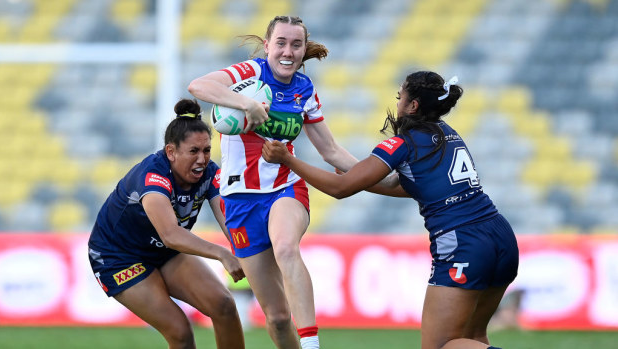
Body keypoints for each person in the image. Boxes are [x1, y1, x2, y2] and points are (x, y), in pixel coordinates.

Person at [262, 71, 519, 349]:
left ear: (413, 106)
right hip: (500, 235)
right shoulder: (447, 134)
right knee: (472, 338)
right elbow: (410, 186)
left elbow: (341, 189)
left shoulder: (402, 144)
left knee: (441, 346)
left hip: (464, 243)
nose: (397, 103)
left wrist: (287, 159)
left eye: (400, 97)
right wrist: (363, 178)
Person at [187, 15, 360, 349]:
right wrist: (246, 104)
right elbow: (199, 86)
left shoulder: (304, 90)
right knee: (278, 319)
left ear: (303, 49)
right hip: (238, 199)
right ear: (267, 46)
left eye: (296, 44)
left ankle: (312, 345)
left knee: (285, 247)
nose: (288, 51)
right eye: (281, 43)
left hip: (285, 187)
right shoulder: (249, 73)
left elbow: (331, 151)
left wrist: (383, 175)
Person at [88, 99, 246, 349]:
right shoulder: (152, 176)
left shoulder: (209, 173)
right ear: (171, 152)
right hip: (119, 257)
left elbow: (230, 221)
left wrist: (250, 250)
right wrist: (222, 254)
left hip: (161, 250)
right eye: (193, 151)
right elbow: (171, 234)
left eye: (206, 150)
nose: (202, 159)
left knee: (223, 305)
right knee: (180, 332)